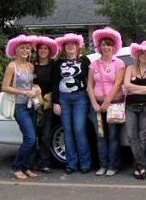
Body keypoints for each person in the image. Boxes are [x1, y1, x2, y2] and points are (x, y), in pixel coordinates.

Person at [87, 27, 125, 176]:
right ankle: (102, 165)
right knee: (100, 136)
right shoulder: (94, 64)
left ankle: (113, 166)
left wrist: (106, 102)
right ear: (99, 47)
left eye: (109, 44)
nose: (106, 47)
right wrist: (95, 104)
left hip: (113, 104)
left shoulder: (119, 63)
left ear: (114, 47)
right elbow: (90, 85)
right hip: (96, 105)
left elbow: (117, 84)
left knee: (114, 136)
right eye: (103, 44)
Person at [52, 33, 92, 174]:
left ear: (77, 46)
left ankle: (85, 163)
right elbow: (55, 84)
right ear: (64, 47)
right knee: (67, 131)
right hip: (64, 99)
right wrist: (56, 102)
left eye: (72, 44)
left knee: (79, 130)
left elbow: (90, 81)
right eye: (67, 44)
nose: (70, 46)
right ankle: (71, 164)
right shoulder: (58, 63)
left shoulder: (85, 61)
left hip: (80, 98)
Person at [2, 35, 40, 179]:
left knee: (31, 138)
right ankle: (16, 167)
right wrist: (24, 92)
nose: (25, 50)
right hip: (19, 107)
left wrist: (36, 89)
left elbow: (31, 85)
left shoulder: (30, 66)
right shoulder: (12, 66)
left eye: (27, 48)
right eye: (22, 48)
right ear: (16, 50)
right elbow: (5, 87)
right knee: (30, 138)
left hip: (31, 106)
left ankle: (27, 167)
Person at [124, 41, 146, 179]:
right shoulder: (130, 68)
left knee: (141, 138)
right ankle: (142, 166)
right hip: (130, 107)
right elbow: (126, 85)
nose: (144, 55)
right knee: (132, 137)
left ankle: (139, 167)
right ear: (137, 54)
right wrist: (145, 90)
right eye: (142, 52)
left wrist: (134, 89)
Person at [31, 36, 59, 173]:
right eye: (40, 48)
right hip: (33, 103)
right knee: (33, 134)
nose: (43, 51)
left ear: (50, 51)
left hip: (47, 104)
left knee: (46, 135)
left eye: (45, 48)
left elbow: (56, 83)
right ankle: (32, 161)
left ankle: (45, 163)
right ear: (37, 50)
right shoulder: (32, 65)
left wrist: (52, 95)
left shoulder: (54, 65)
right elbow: (27, 82)